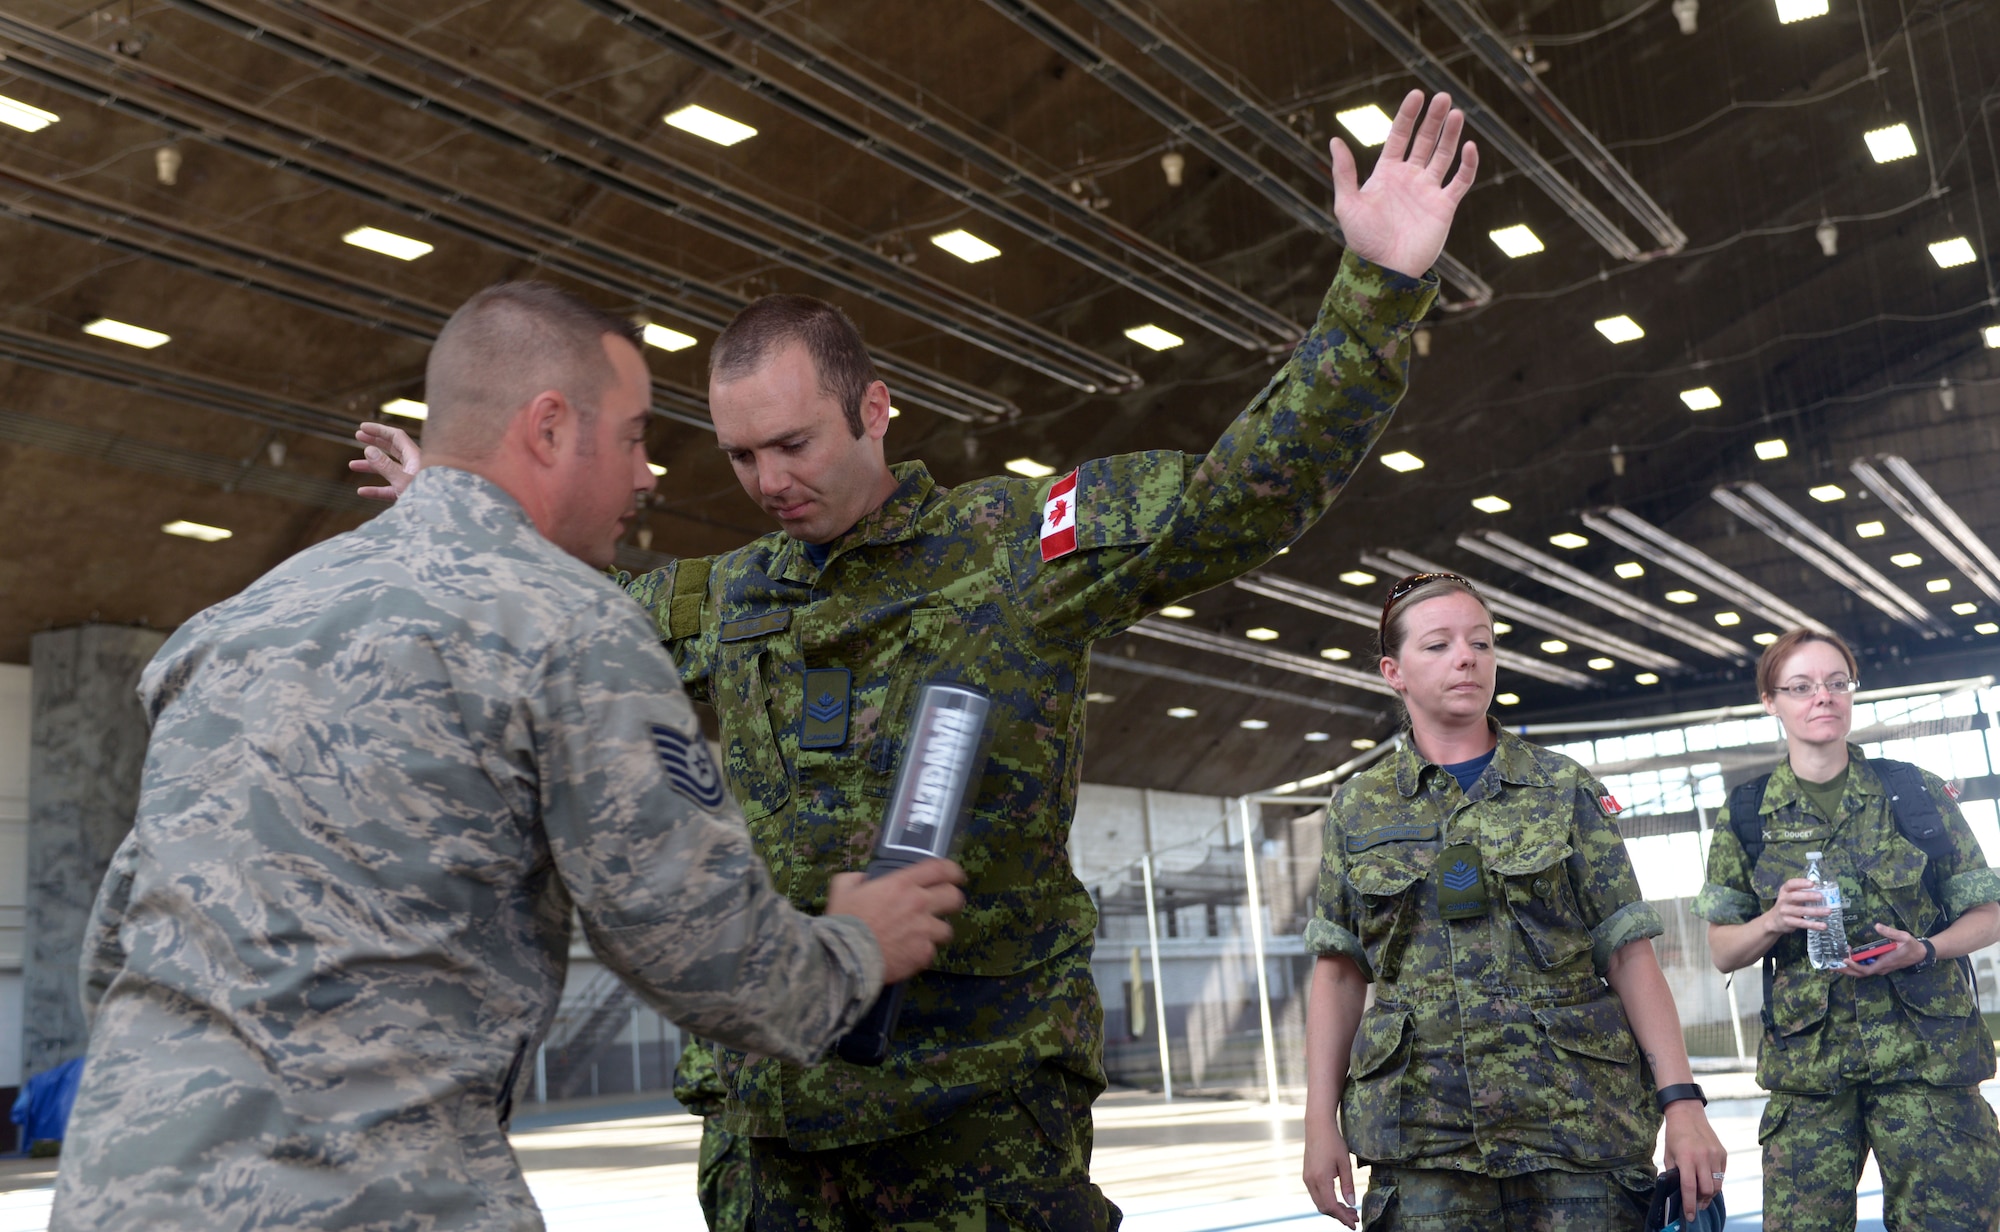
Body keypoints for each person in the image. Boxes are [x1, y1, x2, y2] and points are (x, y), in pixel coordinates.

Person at [355, 88, 1478, 1231]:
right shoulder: (728, 596)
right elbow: (561, 628)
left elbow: (1242, 497)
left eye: (794, 443)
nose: (767, 481)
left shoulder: (1014, 548)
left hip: (975, 1125)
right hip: (773, 1135)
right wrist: (464, 513)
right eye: (741, 455)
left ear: (875, 409)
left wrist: (1374, 293)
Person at [50, 282, 965, 1232]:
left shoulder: (238, 623)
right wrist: (859, 946)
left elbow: (116, 943)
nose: (651, 475)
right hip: (371, 1198)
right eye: (635, 437)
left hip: (120, 1190)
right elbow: (702, 951)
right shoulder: (572, 627)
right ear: (551, 429)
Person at [1302, 573, 1727, 1231]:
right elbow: (1338, 972)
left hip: (1576, 1136)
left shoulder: (1563, 789)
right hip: (1424, 1148)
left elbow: (1629, 953)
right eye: (1438, 645)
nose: (1467, 657)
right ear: (1394, 671)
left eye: (1481, 642)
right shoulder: (1359, 809)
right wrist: (1317, 1122)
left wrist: (1683, 1102)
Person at [1694, 627, 2000, 1231]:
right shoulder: (1748, 812)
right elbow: (1723, 950)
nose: (1823, 698)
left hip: (1927, 1069)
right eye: (1801, 686)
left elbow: (1989, 912)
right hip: (1810, 1079)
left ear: (1852, 693)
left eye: (1837, 683)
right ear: (1770, 700)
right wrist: (1774, 919)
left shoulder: (1914, 793)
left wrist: (1925, 949)